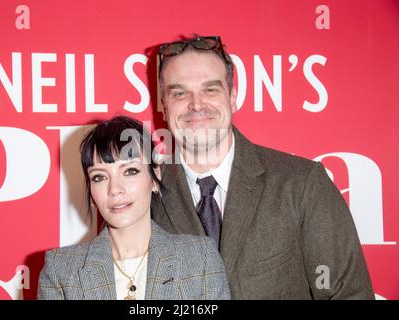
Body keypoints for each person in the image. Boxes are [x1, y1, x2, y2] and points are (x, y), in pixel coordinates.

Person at [151, 35, 375, 299]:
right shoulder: (144, 194)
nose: (196, 104)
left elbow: (347, 294)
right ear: (164, 106)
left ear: (232, 97)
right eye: (179, 93)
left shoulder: (302, 184)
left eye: (210, 89)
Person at [37, 116, 230, 300]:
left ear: (155, 178)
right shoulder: (61, 270)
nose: (114, 189)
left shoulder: (200, 259)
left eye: (130, 171)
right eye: (99, 177)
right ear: (91, 192)